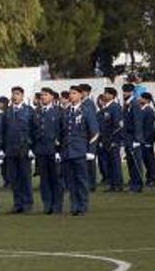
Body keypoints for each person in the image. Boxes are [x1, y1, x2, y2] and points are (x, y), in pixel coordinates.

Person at [60, 86, 97, 215]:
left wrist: (91, 151)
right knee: (71, 181)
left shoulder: (86, 110)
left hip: (80, 151)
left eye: (74, 93)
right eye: (70, 93)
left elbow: (94, 132)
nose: (71, 95)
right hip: (68, 151)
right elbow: (62, 133)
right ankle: (74, 206)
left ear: (81, 95)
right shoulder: (66, 111)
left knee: (81, 180)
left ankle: (82, 206)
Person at [1, 86, 34, 211]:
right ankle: (17, 203)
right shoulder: (8, 112)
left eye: (17, 94)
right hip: (11, 149)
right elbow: (3, 131)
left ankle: (27, 203)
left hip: (24, 149)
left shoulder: (29, 111)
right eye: (13, 94)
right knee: (14, 178)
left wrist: (31, 147)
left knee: (25, 177)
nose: (15, 96)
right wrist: (2, 149)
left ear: (22, 96)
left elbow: (33, 130)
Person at [32, 88, 64, 214]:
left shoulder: (59, 111)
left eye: (45, 95)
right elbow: (33, 130)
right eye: (41, 95)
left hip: (54, 150)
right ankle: (47, 204)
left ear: (52, 97)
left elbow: (62, 131)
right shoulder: (37, 112)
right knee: (44, 180)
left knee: (56, 179)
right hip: (41, 150)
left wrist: (60, 150)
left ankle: (57, 205)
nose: (43, 97)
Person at [97, 88, 124, 192]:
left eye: (107, 93)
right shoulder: (105, 108)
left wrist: (114, 140)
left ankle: (118, 184)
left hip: (112, 140)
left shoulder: (115, 107)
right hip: (105, 140)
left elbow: (118, 125)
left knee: (115, 163)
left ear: (112, 95)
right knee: (109, 163)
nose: (104, 95)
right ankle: (112, 184)